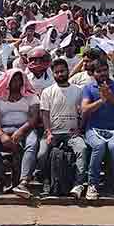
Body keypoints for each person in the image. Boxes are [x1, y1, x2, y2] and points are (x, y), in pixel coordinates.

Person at [0, 69, 40, 199]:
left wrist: (21, 131)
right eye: (13, 79)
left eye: (19, 79)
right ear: (7, 81)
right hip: (3, 128)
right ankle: (3, 178)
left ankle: (23, 182)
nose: (16, 82)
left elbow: (34, 118)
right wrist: (2, 135)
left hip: (26, 129)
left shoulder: (31, 96)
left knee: (32, 143)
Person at [38, 59, 88, 198]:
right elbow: (45, 114)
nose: (60, 74)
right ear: (53, 74)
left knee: (82, 149)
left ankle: (78, 184)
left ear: (67, 71)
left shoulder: (78, 91)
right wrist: (48, 133)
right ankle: (46, 181)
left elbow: (83, 112)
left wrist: (80, 128)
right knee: (42, 154)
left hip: (72, 134)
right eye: (57, 72)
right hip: (52, 132)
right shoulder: (47, 92)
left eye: (62, 71)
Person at [81, 59, 114, 203]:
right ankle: (92, 184)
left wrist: (109, 96)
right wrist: (101, 101)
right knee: (99, 146)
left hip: (113, 129)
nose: (102, 73)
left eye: (104, 70)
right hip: (93, 129)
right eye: (98, 71)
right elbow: (84, 109)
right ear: (93, 73)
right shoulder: (88, 88)